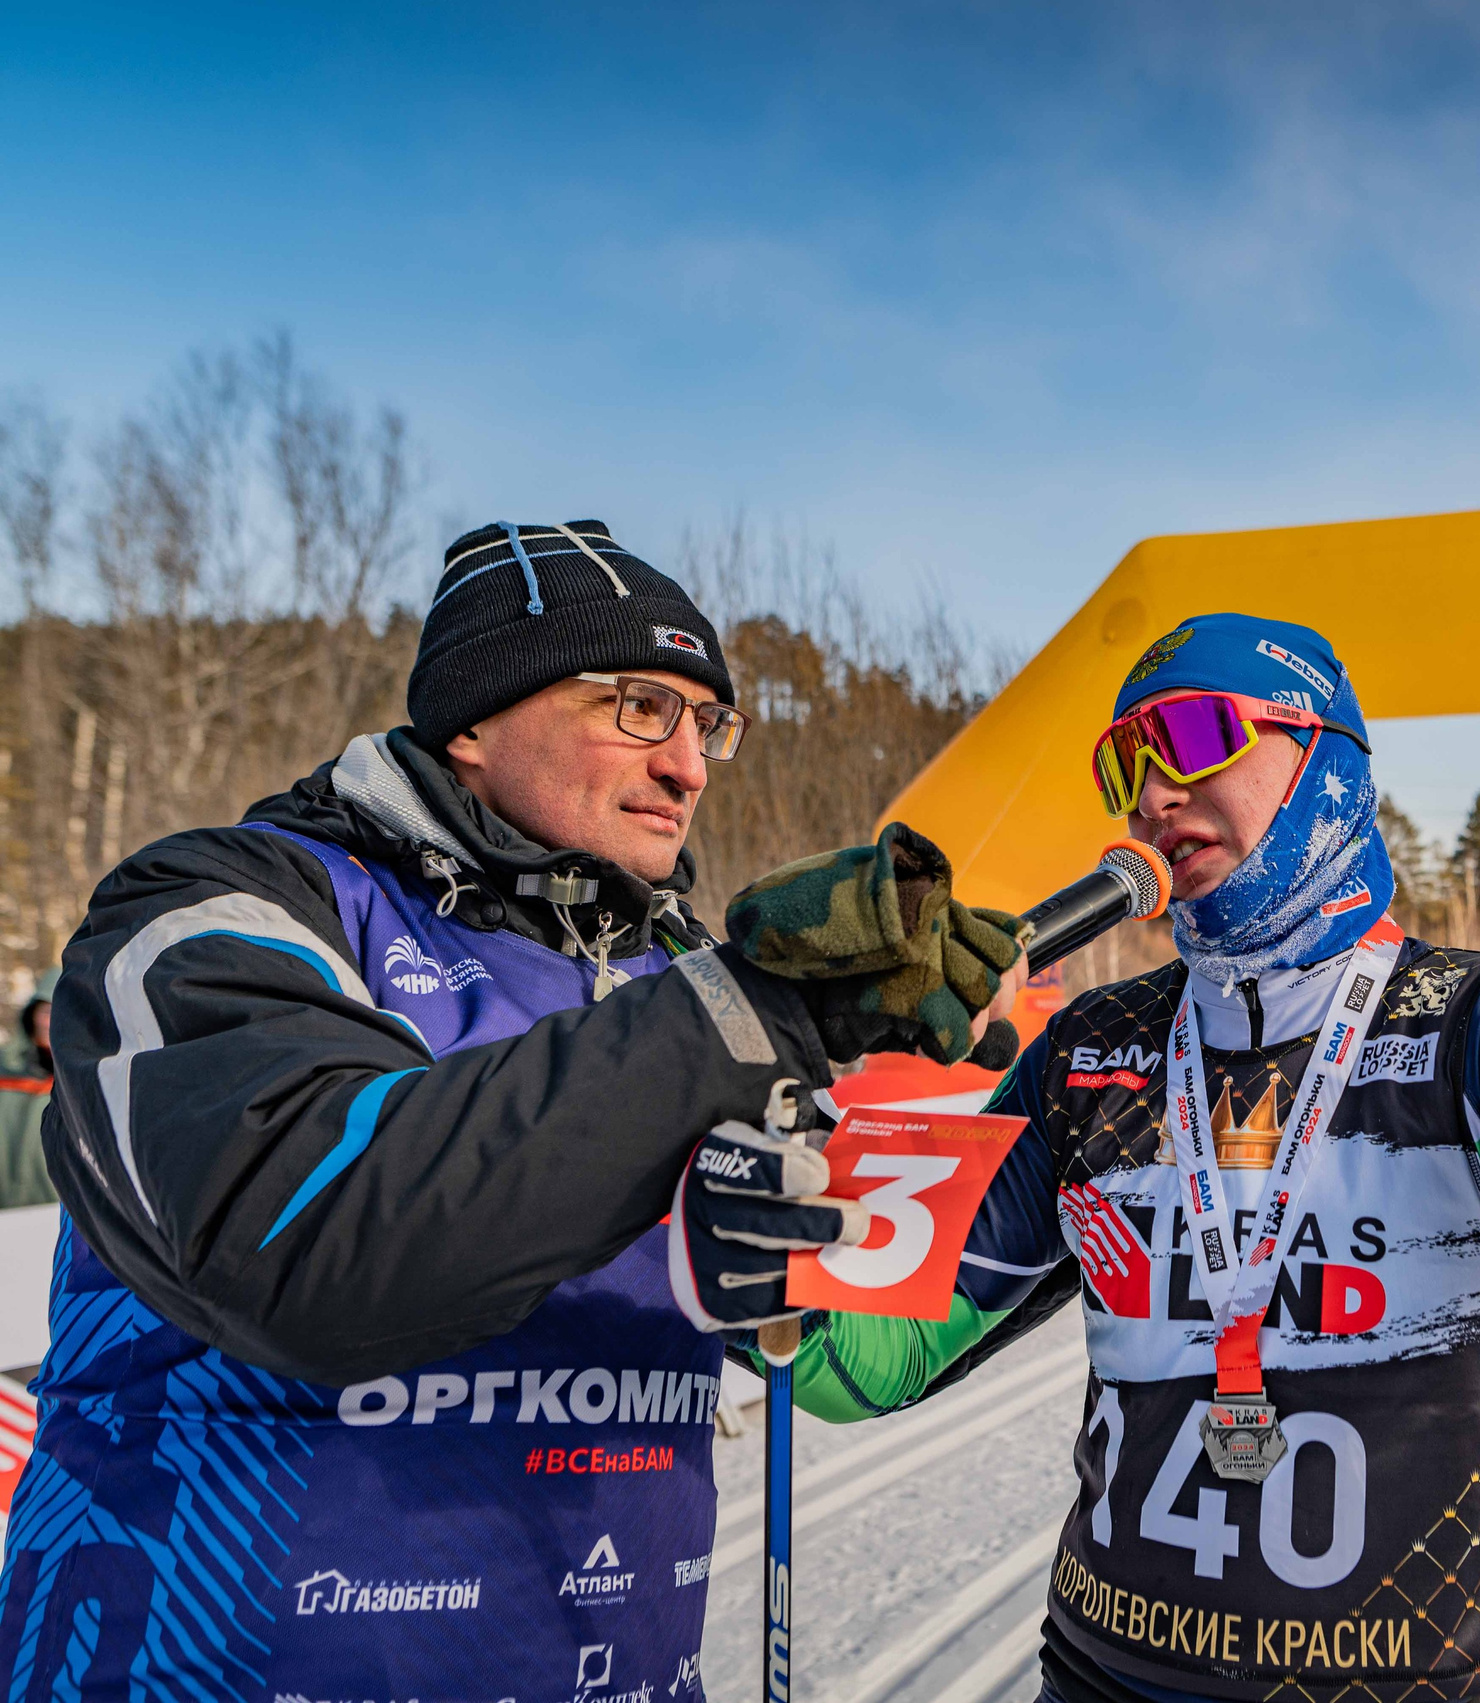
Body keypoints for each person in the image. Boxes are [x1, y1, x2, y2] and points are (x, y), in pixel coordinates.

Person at [686, 614, 1480, 1702]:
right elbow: (877, 1357)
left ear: (1324, 763)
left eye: (1185, 739)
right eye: (1124, 763)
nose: (1150, 794)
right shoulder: (1090, 1045)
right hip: (1099, 1674)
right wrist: (775, 1262)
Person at [1, 520, 1022, 1700]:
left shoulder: (676, 976)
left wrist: (1068, 1103)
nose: (688, 764)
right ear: (475, 718)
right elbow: (319, 1239)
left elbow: (855, 1356)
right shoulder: (220, 904)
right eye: (641, 705)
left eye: (708, 724)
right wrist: (743, 1017)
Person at [0, 967, 56, 1209]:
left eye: (58, 1012)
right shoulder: (6, 1067)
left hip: (56, 1209)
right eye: (44, 1011)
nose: (48, 1022)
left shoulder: (85, 1078)